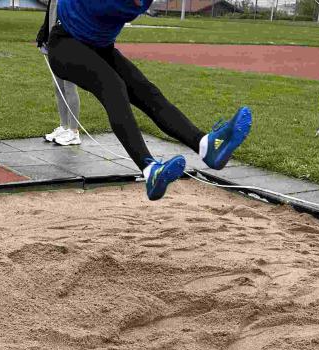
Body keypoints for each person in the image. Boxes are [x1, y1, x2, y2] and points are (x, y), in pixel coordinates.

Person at [46, 0, 252, 201]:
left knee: (146, 91)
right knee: (111, 85)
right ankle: (150, 169)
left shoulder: (134, 5)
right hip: (65, 44)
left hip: (99, 48)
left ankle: (206, 146)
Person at [37, 0, 81, 147]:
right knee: (58, 87)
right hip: (53, 44)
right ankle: (64, 127)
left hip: (69, 44)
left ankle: (74, 132)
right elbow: (49, 17)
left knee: (69, 87)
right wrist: (42, 36)